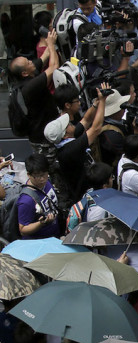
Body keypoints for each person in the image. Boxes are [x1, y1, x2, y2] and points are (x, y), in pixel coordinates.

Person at [45, 85, 109, 212]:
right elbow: (95, 129)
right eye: (67, 124)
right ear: (64, 134)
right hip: (84, 197)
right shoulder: (70, 150)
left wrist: (95, 104)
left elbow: (85, 121)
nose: (70, 123)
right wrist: (103, 101)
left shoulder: (68, 138)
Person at [8, 30, 60, 159]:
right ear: (24, 73)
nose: (32, 62)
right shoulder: (29, 87)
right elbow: (53, 67)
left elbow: (44, 57)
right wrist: (52, 46)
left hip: (45, 131)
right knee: (47, 168)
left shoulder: (29, 71)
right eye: (28, 63)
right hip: (42, 138)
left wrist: (49, 40)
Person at [16, 155, 60, 241]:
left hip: (54, 235)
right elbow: (23, 230)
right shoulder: (26, 201)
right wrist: (41, 223)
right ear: (29, 175)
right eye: (38, 176)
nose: (42, 179)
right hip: (40, 241)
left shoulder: (47, 182)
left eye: (44, 174)